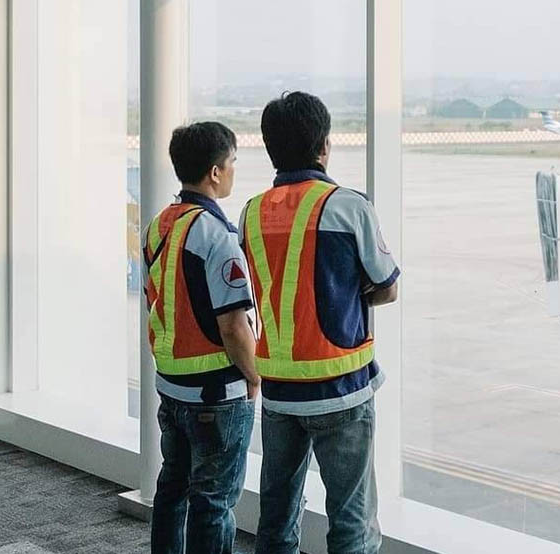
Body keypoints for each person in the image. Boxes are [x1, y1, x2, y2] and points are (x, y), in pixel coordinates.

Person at [244, 92, 399, 554]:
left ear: (271, 147)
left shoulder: (251, 211)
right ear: (324, 146)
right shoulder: (348, 206)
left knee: (276, 516)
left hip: (278, 392)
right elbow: (387, 286)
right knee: (350, 522)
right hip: (340, 389)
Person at [144, 121, 260, 554]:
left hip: (171, 387)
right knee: (213, 502)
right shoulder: (218, 237)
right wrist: (254, 377)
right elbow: (233, 325)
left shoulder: (158, 227)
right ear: (215, 172)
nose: (232, 171)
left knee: (171, 491)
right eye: (231, 163)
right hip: (215, 394)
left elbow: (153, 304)